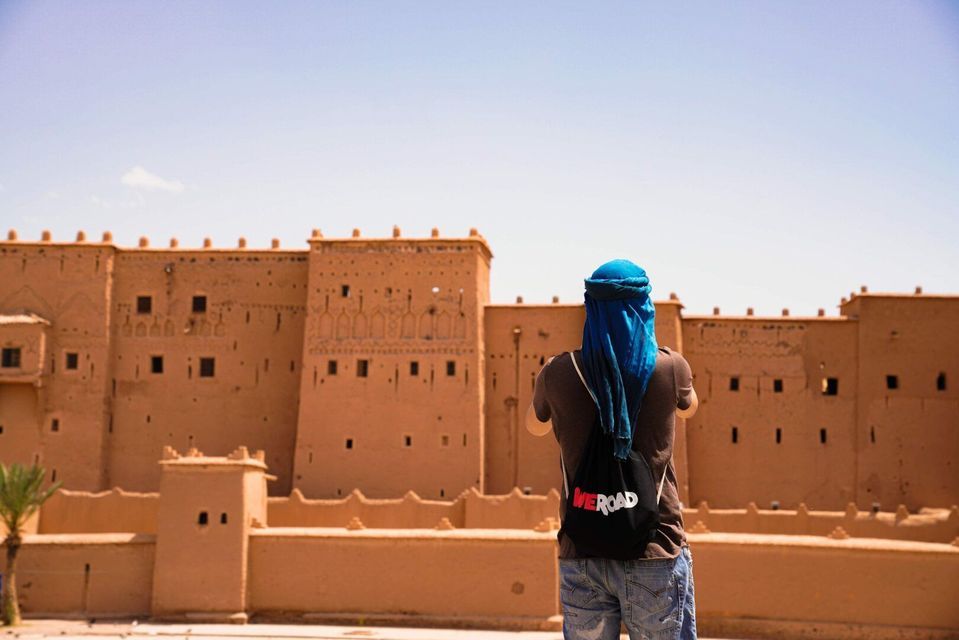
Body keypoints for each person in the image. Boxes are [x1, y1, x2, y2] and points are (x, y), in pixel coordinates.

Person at [526, 259, 699, 640]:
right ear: (644, 307)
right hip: (653, 549)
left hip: (582, 549)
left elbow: (534, 426)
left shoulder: (558, 371)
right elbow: (690, 409)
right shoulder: (669, 368)